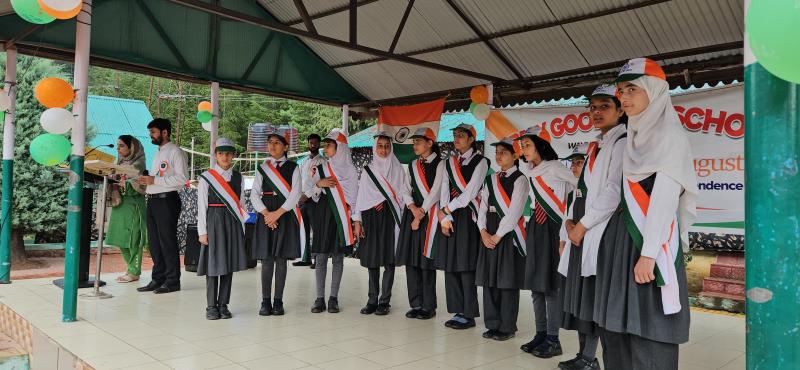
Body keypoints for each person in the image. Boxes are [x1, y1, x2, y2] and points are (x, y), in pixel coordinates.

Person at [593, 58, 693, 370]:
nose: (623, 97)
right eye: (621, 91)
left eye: (632, 89)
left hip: (649, 244)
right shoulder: (634, 136)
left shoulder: (669, 136)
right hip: (621, 244)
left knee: (650, 326)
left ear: (655, 91)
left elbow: (664, 198)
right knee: (617, 325)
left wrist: (649, 253)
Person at [558, 84, 627, 370]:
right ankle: (585, 356)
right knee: (583, 297)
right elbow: (582, 191)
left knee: (596, 298)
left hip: (599, 232)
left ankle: (590, 358)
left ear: (620, 109)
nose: (596, 112)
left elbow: (613, 191)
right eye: (593, 107)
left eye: (604, 106)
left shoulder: (623, 142)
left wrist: (582, 226)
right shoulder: (597, 144)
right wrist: (569, 225)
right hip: (583, 232)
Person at [516, 126, 577, 358]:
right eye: (522, 146)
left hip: (553, 228)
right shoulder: (530, 171)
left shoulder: (556, 168)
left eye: (528, 145)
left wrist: (569, 219)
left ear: (541, 146)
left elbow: (577, 188)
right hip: (535, 229)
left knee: (550, 285)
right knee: (535, 285)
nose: (524, 149)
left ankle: (554, 339)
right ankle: (540, 334)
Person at [475, 136, 529, 341]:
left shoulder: (520, 179)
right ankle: (492, 324)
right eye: (497, 152)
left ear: (515, 156)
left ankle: (507, 327)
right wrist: (482, 231)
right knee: (489, 281)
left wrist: (496, 236)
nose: (498, 156)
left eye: (504, 152)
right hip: (488, 233)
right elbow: (482, 207)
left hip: (507, 236)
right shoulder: (491, 179)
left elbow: (515, 213)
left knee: (507, 282)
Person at [437, 123, 488, 330]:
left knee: (466, 265)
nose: (457, 138)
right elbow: (444, 189)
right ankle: (457, 310)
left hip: (468, 216)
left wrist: (448, 208)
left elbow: (470, 192)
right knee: (451, 266)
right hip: (451, 216)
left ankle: (469, 314)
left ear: (471, 139)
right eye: (455, 135)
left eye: (461, 135)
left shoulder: (481, 161)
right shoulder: (450, 163)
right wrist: (444, 217)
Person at [251, 132, 305, 316]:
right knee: (266, 260)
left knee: (281, 259)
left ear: (285, 147)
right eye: (270, 143)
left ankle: (278, 301)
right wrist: (267, 214)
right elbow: (254, 194)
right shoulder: (262, 168)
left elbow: (296, 193)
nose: (272, 146)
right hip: (266, 214)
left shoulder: (293, 167)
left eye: (276, 143)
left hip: (284, 214)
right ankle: (265, 301)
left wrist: (277, 214)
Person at [353, 132, 406, 316]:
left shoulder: (398, 169)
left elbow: (402, 195)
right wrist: (357, 221)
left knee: (389, 259)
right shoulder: (368, 170)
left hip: (390, 216)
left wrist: (389, 204)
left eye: (386, 146)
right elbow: (361, 196)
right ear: (375, 148)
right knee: (372, 259)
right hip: (370, 218)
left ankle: (385, 301)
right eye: (380, 146)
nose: (383, 150)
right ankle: (372, 300)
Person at [196, 138, 248, 320]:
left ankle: (223, 304)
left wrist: (242, 228)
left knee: (228, 264)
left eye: (228, 153)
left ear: (233, 155)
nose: (224, 157)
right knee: (213, 265)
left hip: (232, 223)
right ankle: (211, 306)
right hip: (213, 222)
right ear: (216, 155)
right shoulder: (206, 177)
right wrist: (202, 231)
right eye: (220, 153)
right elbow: (202, 206)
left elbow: (240, 204)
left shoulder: (238, 177)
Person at [307, 129, 358, 313]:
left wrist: (355, 221)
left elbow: (354, 199)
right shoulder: (320, 167)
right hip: (323, 214)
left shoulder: (351, 170)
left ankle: (333, 298)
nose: (326, 148)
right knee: (320, 256)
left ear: (341, 148)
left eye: (330, 145)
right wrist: (319, 185)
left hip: (341, 217)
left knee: (338, 258)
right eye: (326, 145)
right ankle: (319, 298)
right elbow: (309, 191)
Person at [137, 118, 188, 294]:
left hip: (167, 200)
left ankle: (173, 281)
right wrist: (146, 179)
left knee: (167, 241)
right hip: (152, 199)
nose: (151, 135)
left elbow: (182, 179)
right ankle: (158, 278)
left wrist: (154, 180)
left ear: (165, 132)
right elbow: (157, 176)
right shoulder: (158, 152)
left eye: (154, 132)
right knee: (154, 242)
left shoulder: (175, 151)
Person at [397, 128, 443, 320]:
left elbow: (436, 191)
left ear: (430, 143)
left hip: (429, 217)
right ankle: (415, 303)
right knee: (412, 260)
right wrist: (412, 208)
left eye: (418, 141)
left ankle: (428, 306)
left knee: (426, 262)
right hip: (413, 214)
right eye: (413, 142)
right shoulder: (413, 164)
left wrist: (420, 212)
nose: (414, 145)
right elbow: (405, 189)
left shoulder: (441, 165)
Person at [105, 135, 148, 283]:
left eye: (122, 145)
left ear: (132, 148)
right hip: (120, 204)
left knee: (133, 239)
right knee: (120, 238)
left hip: (133, 203)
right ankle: (130, 269)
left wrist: (124, 182)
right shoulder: (119, 163)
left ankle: (134, 271)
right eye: (117, 146)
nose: (118, 149)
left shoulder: (139, 164)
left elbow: (140, 183)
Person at [296, 134, 324, 268]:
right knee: (304, 230)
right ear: (308, 144)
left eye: (315, 143)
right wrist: (299, 196)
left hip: (315, 199)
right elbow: (299, 181)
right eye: (310, 142)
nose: (313, 145)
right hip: (302, 200)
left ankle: (318, 260)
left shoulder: (323, 162)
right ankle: (305, 258)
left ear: (319, 144)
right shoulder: (304, 162)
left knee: (317, 230)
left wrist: (308, 194)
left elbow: (320, 182)